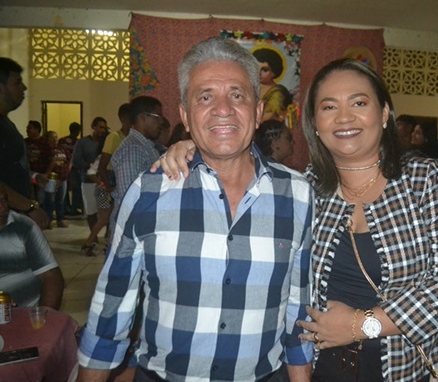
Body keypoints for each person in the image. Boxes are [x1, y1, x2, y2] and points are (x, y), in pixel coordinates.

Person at [156, 58, 438, 381]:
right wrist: (197, 149)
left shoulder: (423, 179)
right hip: (319, 367)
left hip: (403, 368)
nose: (344, 117)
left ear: (383, 114)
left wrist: (362, 325)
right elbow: (240, 179)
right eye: (329, 107)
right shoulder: (304, 188)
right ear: (315, 124)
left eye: (359, 103)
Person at [77, 37, 313, 382]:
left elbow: (298, 309)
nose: (223, 109)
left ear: (258, 111)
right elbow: (112, 307)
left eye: (237, 95)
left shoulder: (297, 195)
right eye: (205, 97)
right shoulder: (149, 190)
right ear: (186, 116)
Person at [0, 57, 50, 229]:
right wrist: (29, 207)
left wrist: (33, 176)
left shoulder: (6, 124)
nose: (24, 88)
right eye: (17, 83)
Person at [108, 95, 164, 242]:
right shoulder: (133, 148)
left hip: (140, 224)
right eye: (158, 116)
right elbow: (129, 195)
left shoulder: (146, 146)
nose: (161, 122)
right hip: (130, 228)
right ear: (143, 117)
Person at [0, 185, 64, 309]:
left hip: (28, 312)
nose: (2, 207)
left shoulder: (23, 226)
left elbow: (51, 277)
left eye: (4, 200)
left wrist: (42, 317)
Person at [72, 116, 108, 232]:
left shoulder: (106, 142)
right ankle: (93, 236)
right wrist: (90, 165)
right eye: (100, 127)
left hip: (105, 181)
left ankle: (108, 236)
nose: (102, 130)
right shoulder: (83, 142)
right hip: (88, 181)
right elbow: (76, 161)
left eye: (104, 128)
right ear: (93, 127)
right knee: (91, 210)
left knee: (108, 211)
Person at [252, 47, 294, 122]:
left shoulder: (278, 93)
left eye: (265, 70)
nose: (259, 73)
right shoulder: (251, 87)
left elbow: (270, 116)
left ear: (274, 72)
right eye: (256, 68)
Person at [43, 130, 71, 228]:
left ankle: (60, 219)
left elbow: (70, 158)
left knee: (61, 200)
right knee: (50, 200)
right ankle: (49, 220)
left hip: (63, 177)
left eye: (56, 137)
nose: (55, 139)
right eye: (52, 137)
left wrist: (68, 169)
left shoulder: (62, 148)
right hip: (52, 177)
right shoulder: (46, 150)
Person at [25, 120, 53, 207]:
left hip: (41, 175)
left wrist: (46, 174)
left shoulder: (45, 143)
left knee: (42, 199)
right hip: (28, 175)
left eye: (30, 128)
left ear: (37, 129)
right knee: (29, 199)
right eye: (27, 128)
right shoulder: (25, 142)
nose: (27, 130)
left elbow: (52, 160)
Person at [59, 121, 83, 216]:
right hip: (73, 168)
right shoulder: (78, 142)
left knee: (65, 188)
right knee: (75, 188)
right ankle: (73, 209)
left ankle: (66, 208)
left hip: (63, 167)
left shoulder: (62, 140)